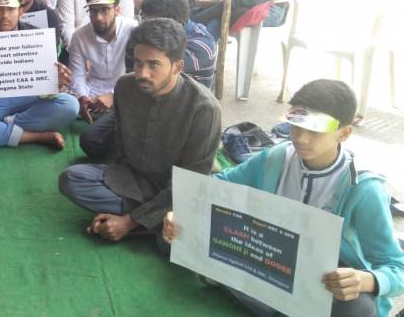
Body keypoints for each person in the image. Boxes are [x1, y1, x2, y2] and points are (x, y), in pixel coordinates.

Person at [162, 79, 404, 317]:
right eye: (296, 126)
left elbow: (396, 267)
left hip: (319, 275)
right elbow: (218, 186)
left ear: (344, 134)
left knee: (357, 308)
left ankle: (234, 285)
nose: (301, 139)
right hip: (269, 254)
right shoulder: (277, 157)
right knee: (175, 235)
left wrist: (367, 280)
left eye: (315, 131)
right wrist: (182, 213)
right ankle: (257, 295)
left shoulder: (362, 188)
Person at [59, 18, 221, 246]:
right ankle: (153, 224)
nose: (142, 73)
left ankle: (145, 225)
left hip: (177, 191)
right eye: (138, 63)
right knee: (71, 179)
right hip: (133, 181)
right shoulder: (125, 87)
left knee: (170, 244)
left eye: (154, 65)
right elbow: (121, 150)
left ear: (177, 66)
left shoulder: (204, 109)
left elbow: (192, 185)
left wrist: (128, 222)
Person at [80, 0, 217, 161]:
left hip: (177, 115)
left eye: (151, 21)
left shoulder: (200, 47)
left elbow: (161, 84)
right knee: (91, 140)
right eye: (144, 19)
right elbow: (135, 79)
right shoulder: (142, 37)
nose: (145, 26)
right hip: (141, 103)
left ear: (176, 23)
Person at [0, 0, 78, 149]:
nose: (4, 15)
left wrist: (56, 83)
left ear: (21, 11)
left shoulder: (38, 38)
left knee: (70, 106)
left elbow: (47, 93)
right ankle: (34, 136)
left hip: (30, 98)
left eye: (10, 9)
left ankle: (0, 126)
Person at [69, 0, 137, 123]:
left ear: (117, 10)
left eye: (104, 10)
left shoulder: (133, 30)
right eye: (93, 11)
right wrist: (83, 98)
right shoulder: (79, 35)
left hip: (126, 88)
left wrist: (114, 96)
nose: (98, 17)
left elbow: (138, 74)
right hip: (93, 90)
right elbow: (77, 74)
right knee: (69, 106)